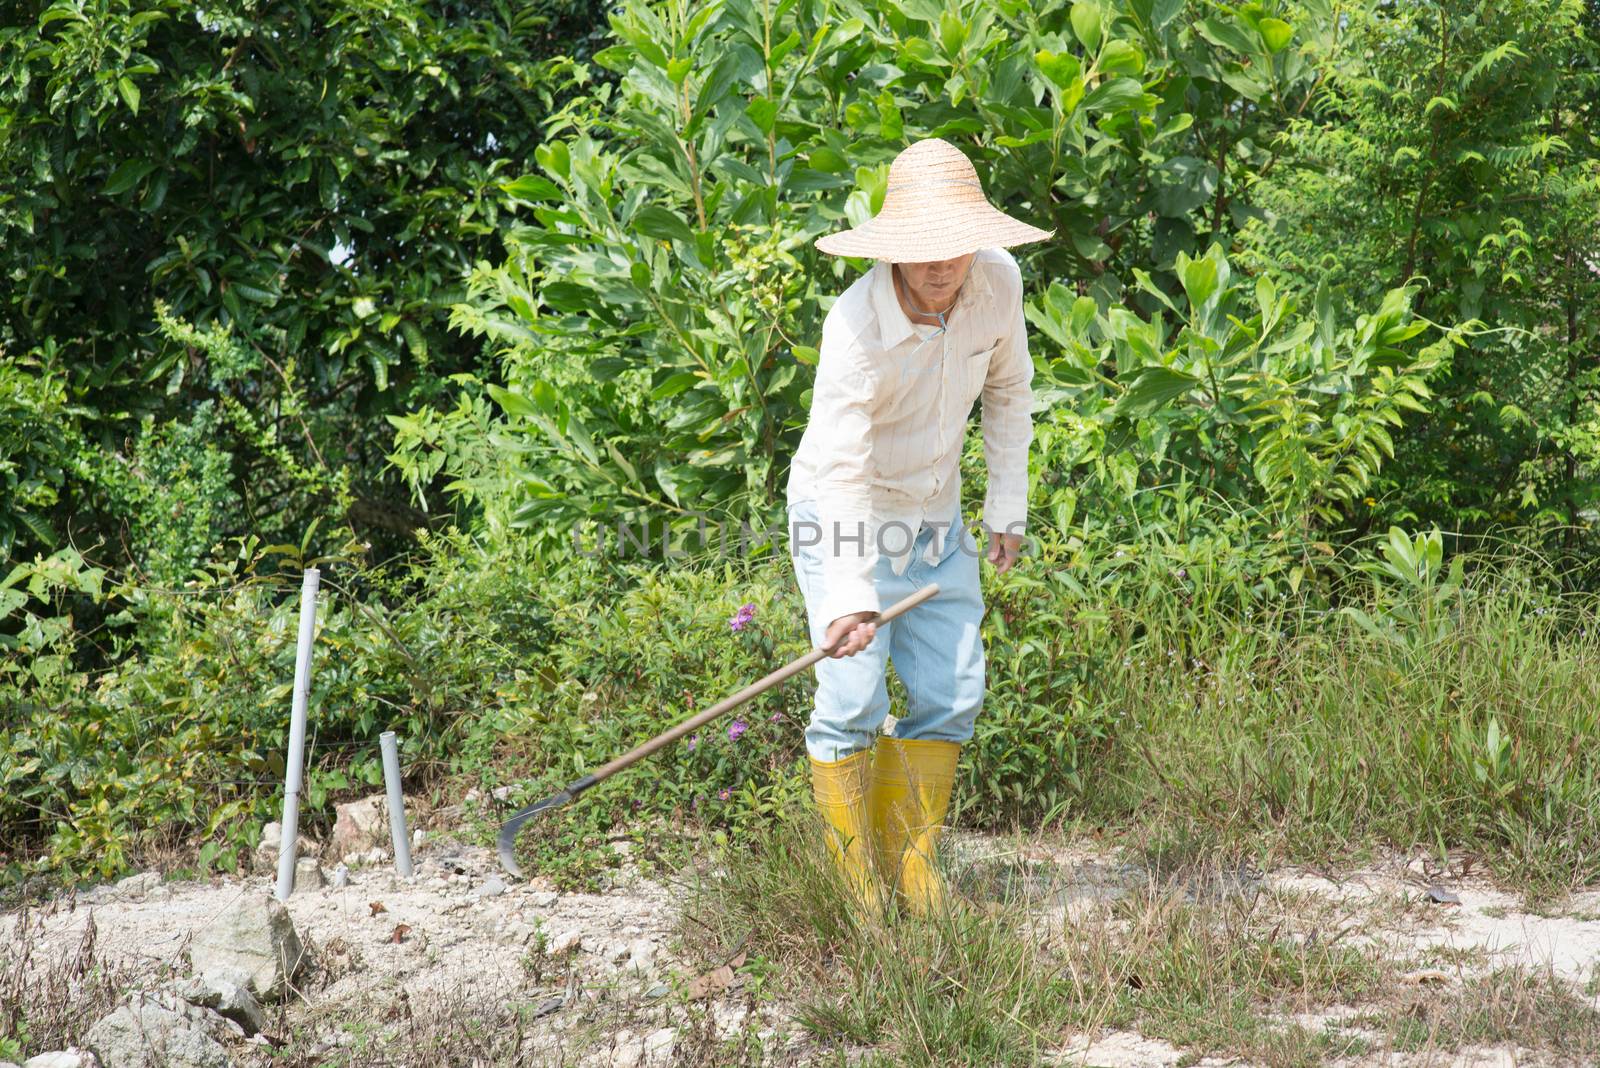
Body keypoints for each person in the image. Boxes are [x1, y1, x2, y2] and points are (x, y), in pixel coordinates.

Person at [786, 137, 1049, 913]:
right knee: (853, 696)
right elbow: (837, 470)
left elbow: (1009, 390)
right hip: (848, 517)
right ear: (893, 248)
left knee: (954, 688)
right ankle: (853, 886)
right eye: (923, 252)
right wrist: (849, 596)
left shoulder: (998, 284)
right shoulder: (855, 328)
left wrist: (1006, 506)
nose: (941, 268)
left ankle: (913, 869)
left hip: (935, 518)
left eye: (954, 249)